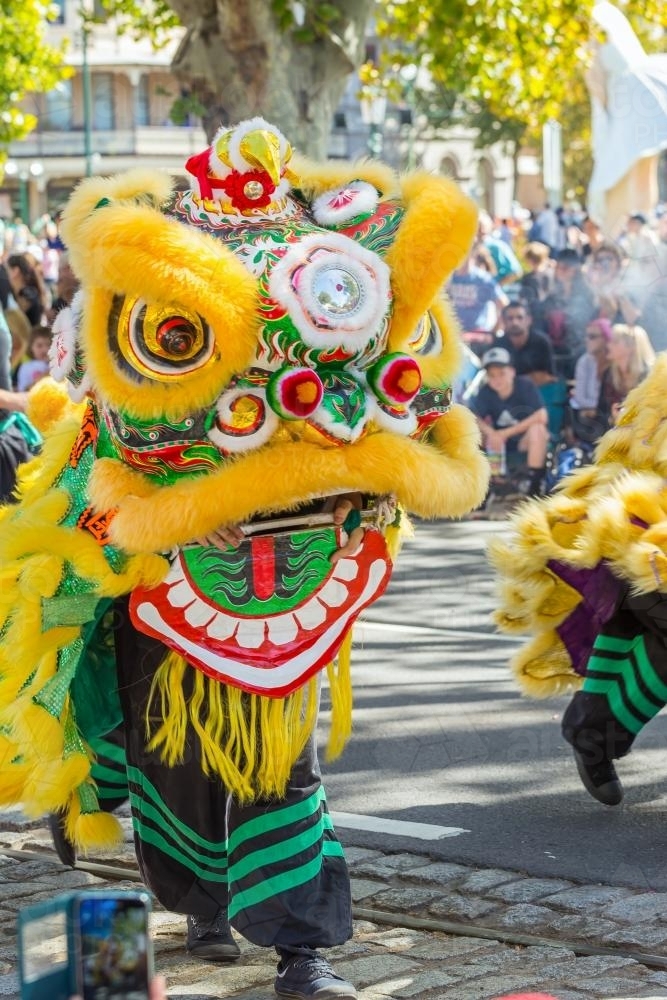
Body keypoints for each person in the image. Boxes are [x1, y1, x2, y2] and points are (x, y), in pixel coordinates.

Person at [0, 117, 489, 1000]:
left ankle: (303, 953)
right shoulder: (133, 343)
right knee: (174, 768)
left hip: (289, 588)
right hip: (165, 592)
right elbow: (98, 489)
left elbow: (389, 437)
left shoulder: (331, 314)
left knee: (281, 766)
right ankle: (200, 904)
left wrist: (349, 499)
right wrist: (186, 516)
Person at [491, 354, 667, 808]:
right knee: (642, 621)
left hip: (636, 543)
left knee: (631, 626)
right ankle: (593, 734)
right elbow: (626, 450)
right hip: (637, 539)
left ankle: (593, 732)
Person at [472, 346, 549, 496]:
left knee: (538, 430)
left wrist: (505, 433)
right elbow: (474, 416)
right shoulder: (486, 391)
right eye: (492, 375)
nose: (497, 379)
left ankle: (533, 485)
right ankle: (486, 486)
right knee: (474, 432)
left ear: (512, 372)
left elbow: (542, 415)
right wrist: (492, 433)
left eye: (502, 373)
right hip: (499, 445)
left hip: (523, 441)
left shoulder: (525, 386)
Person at [539, 248, 597, 380]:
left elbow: (583, 323)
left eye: (565, 267)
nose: (561, 271)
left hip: (577, 351)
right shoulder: (553, 296)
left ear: (575, 270)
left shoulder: (586, 295)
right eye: (559, 267)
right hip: (554, 352)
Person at [447, 247, 508, 356]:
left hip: (477, 336)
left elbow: (504, 305)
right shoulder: (449, 277)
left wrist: (494, 331)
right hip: (454, 335)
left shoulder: (483, 279)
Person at [596, 322, 654, 428]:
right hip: (614, 435)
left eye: (615, 342)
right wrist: (612, 418)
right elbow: (601, 411)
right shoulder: (608, 375)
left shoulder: (649, 376)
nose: (609, 345)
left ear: (631, 347)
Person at [568, 317, 611, 447]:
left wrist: (594, 409)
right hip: (593, 418)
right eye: (586, 336)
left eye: (592, 336)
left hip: (610, 415)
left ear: (605, 339)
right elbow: (580, 398)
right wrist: (598, 409)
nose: (587, 340)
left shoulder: (615, 362)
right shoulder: (584, 362)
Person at [497, 301, 555, 386]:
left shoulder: (541, 343)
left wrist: (511, 380)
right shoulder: (498, 344)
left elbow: (549, 376)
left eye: (520, 318)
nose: (515, 322)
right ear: (504, 321)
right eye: (510, 318)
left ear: (529, 320)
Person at [477, 211, 524, 286]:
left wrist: (496, 287)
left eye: (483, 227)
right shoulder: (468, 247)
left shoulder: (497, 246)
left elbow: (516, 272)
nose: (481, 230)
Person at [15, 325, 52, 392]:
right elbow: (23, 389)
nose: (45, 350)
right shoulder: (26, 367)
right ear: (31, 347)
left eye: (48, 345)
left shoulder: (56, 365)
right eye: (39, 346)